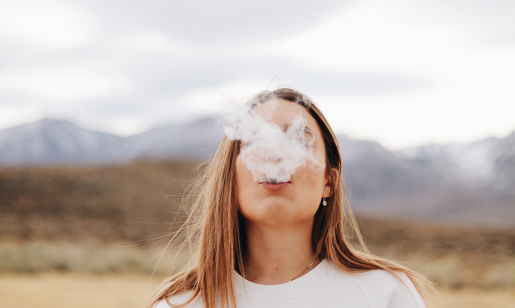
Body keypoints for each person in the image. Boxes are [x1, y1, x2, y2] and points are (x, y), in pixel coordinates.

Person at [148, 88, 434, 308]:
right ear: (229, 178)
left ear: (328, 182)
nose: (276, 153)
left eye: (299, 139)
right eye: (255, 139)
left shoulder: (385, 295)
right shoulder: (182, 303)